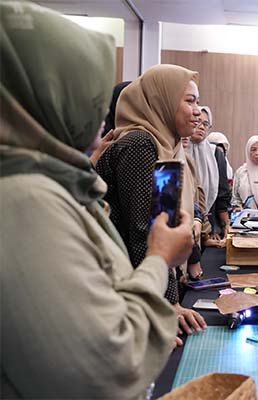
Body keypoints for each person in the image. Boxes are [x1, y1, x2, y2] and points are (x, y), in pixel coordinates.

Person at [0, 3, 191, 396]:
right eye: (86, 95)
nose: (103, 116)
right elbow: (107, 364)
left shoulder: (49, 181)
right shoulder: (26, 199)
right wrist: (160, 263)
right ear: (45, 99)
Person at [96, 64, 207, 337]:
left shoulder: (167, 145)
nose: (197, 111)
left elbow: (166, 222)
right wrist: (167, 305)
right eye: (190, 101)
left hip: (145, 280)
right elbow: (145, 231)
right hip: (125, 290)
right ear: (162, 101)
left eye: (198, 102)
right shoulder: (140, 144)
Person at [187, 106, 232, 243]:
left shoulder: (215, 153)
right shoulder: (179, 149)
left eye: (206, 124)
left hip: (210, 225)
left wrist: (225, 226)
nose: (201, 127)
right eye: (198, 122)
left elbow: (222, 194)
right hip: (184, 221)